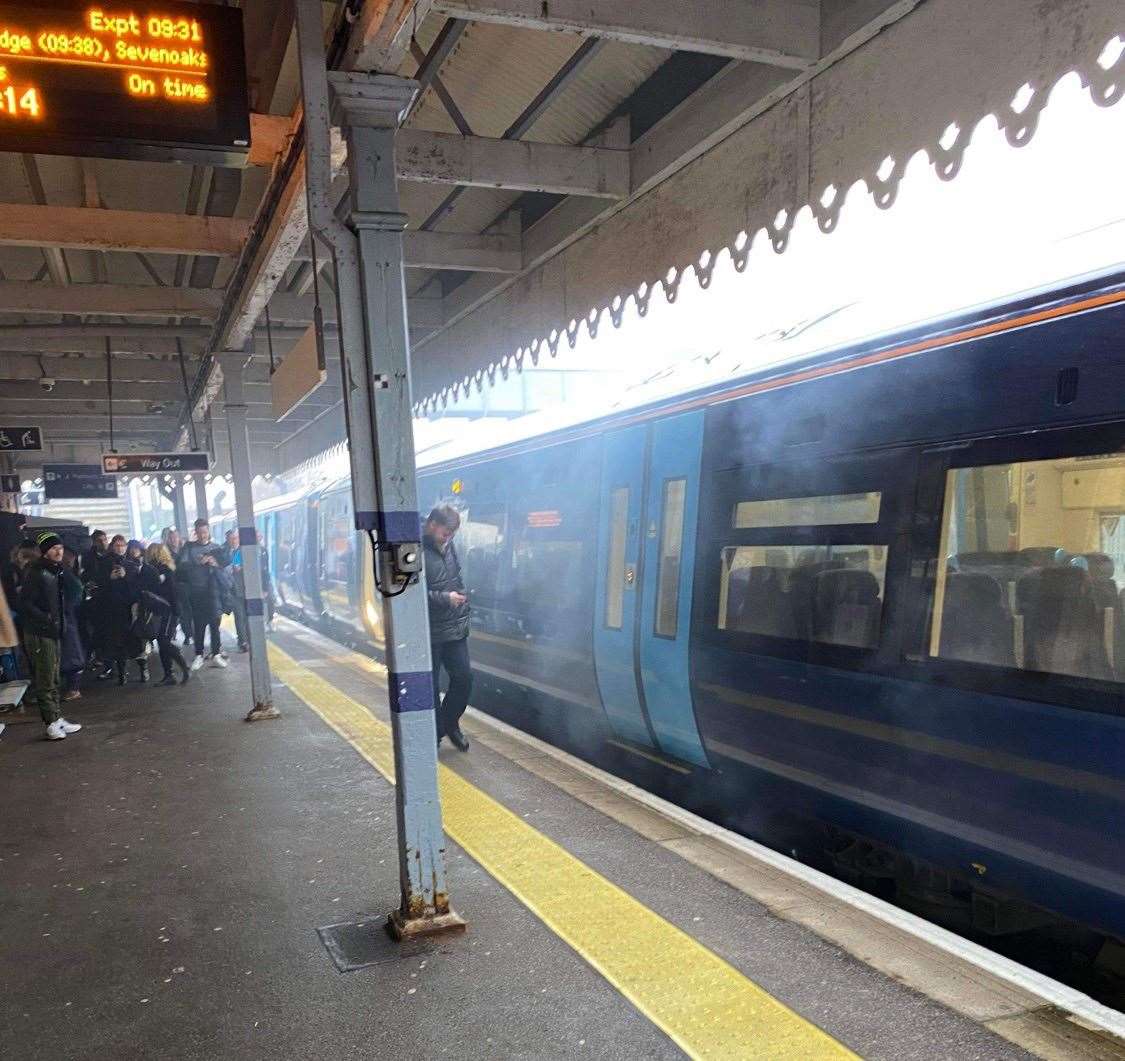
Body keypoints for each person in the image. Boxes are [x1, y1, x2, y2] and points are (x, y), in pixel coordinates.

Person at [18, 532, 82, 741]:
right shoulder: (36, 572)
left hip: (54, 631)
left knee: (54, 677)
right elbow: (25, 603)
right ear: (45, 551)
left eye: (61, 548)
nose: (59, 551)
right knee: (46, 678)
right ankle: (50, 723)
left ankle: (56, 717)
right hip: (40, 632)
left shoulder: (57, 571)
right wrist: (46, 618)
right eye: (54, 548)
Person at [423, 505, 472, 752]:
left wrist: (462, 596)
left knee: (464, 679)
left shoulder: (448, 545)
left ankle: (448, 723)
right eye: (445, 533)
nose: (448, 538)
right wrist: (445, 598)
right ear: (432, 525)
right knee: (430, 687)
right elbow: (411, 592)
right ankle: (436, 733)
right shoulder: (414, 548)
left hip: (454, 626)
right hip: (429, 630)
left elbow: (456, 576)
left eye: (452, 534)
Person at [177, 518, 229, 670]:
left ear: (208, 532)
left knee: (215, 625)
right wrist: (198, 562)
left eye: (205, 532)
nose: (203, 535)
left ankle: (216, 654)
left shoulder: (216, 548)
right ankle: (199, 655)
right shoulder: (189, 548)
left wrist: (215, 563)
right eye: (199, 532)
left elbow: (226, 563)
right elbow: (181, 566)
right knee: (199, 625)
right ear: (196, 533)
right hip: (197, 592)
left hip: (214, 592)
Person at [100, 535, 147, 685]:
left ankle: (143, 669)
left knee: (136, 641)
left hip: (130, 609)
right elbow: (99, 586)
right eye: (117, 545)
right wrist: (109, 579)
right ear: (112, 546)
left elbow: (138, 588)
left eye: (123, 545)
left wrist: (126, 577)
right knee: (118, 643)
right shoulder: (104, 564)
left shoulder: (132, 565)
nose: (120, 548)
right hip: (113, 610)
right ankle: (121, 673)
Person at [141, 543, 190, 686]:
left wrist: (176, 611)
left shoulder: (162, 570)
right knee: (162, 642)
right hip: (166, 610)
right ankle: (169, 674)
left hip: (167, 611)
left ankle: (181, 665)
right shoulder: (165, 568)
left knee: (163, 641)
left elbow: (171, 592)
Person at [59, 547, 86, 701]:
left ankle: (73, 688)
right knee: (70, 652)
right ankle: (72, 688)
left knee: (71, 653)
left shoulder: (63, 572)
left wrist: (67, 607)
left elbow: (77, 589)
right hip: (67, 616)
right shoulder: (65, 571)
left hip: (66, 616)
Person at [162, 528, 193, 647]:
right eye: (171, 537)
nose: (174, 539)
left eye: (176, 537)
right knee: (180, 611)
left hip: (187, 586)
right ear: (168, 540)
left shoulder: (184, 551)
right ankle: (185, 634)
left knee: (188, 611)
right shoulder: (166, 554)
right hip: (174, 587)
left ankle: (188, 633)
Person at [224, 529, 250, 652]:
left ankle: (246, 640)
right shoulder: (226, 552)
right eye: (230, 539)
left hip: (244, 589)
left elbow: (238, 568)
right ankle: (242, 641)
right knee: (239, 617)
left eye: (235, 538)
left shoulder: (241, 552)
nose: (233, 541)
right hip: (232, 590)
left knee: (245, 617)